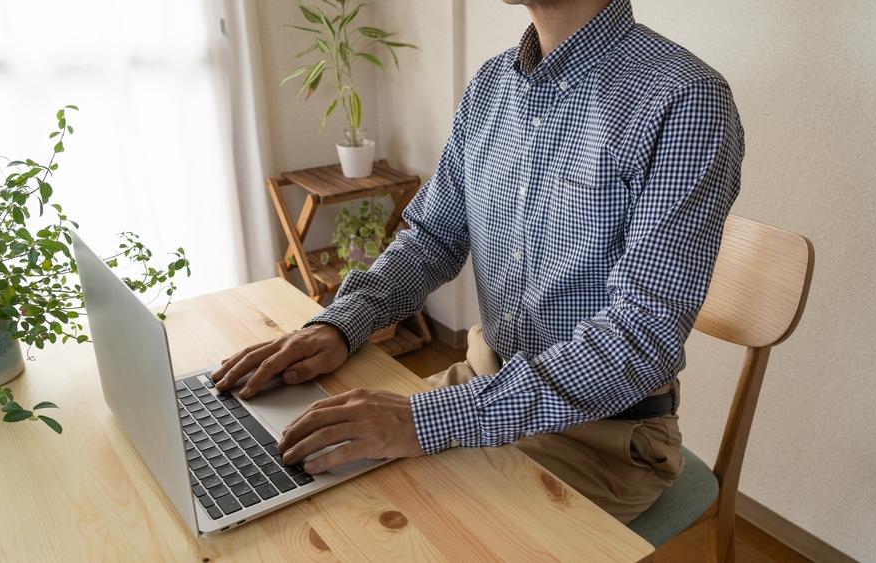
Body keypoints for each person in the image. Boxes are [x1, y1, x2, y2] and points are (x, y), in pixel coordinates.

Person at [212, 0, 743, 522]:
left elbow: (640, 336)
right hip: (483, 376)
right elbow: (431, 239)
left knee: (393, 526)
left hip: (602, 435)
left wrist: (424, 419)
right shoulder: (492, 86)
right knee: (302, 481)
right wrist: (341, 324)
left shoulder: (685, 99)